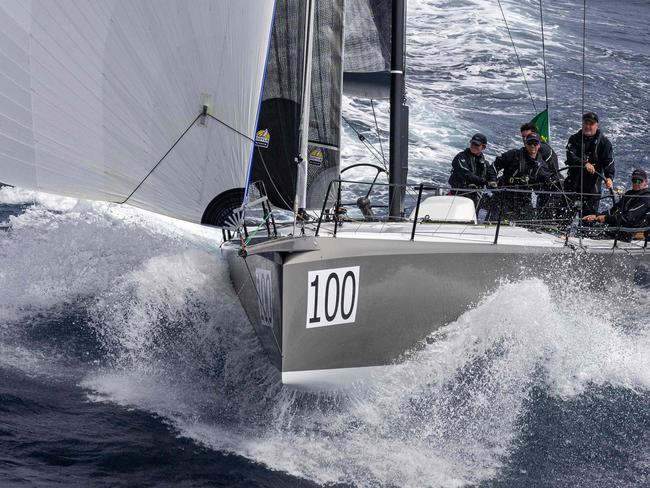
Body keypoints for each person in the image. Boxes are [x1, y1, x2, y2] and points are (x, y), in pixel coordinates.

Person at [493, 132, 557, 219]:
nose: (532, 146)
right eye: (530, 143)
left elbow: (547, 179)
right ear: (525, 143)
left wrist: (556, 182)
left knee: (529, 223)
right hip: (504, 195)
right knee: (495, 222)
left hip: (524, 198)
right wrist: (492, 180)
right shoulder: (513, 155)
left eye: (535, 143)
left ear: (539, 145)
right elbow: (494, 166)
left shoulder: (542, 165)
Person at [565, 112, 614, 215]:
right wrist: (585, 163)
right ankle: (560, 231)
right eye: (585, 123)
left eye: (591, 124)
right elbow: (570, 156)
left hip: (592, 188)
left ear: (597, 125)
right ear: (582, 124)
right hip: (573, 184)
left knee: (588, 220)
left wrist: (609, 177)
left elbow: (608, 162)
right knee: (564, 216)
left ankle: (585, 231)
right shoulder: (574, 139)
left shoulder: (605, 143)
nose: (588, 126)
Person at [583, 168, 650, 240]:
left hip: (630, 232)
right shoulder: (629, 194)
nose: (636, 183)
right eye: (634, 181)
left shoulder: (646, 198)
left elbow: (628, 218)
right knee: (588, 229)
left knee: (595, 234)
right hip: (619, 227)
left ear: (646, 182)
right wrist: (596, 216)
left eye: (639, 181)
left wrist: (605, 218)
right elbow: (614, 210)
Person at [448, 133, 497, 207]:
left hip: (475, 197)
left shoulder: (485, 164)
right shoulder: (460, 158)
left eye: (476, 144)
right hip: (458, 195)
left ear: (483, 147)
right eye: (472, 143)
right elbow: (466, 174)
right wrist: (485, 182)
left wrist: (493, 181)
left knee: (494, 204)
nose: (473, 146)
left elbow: (491, 173)